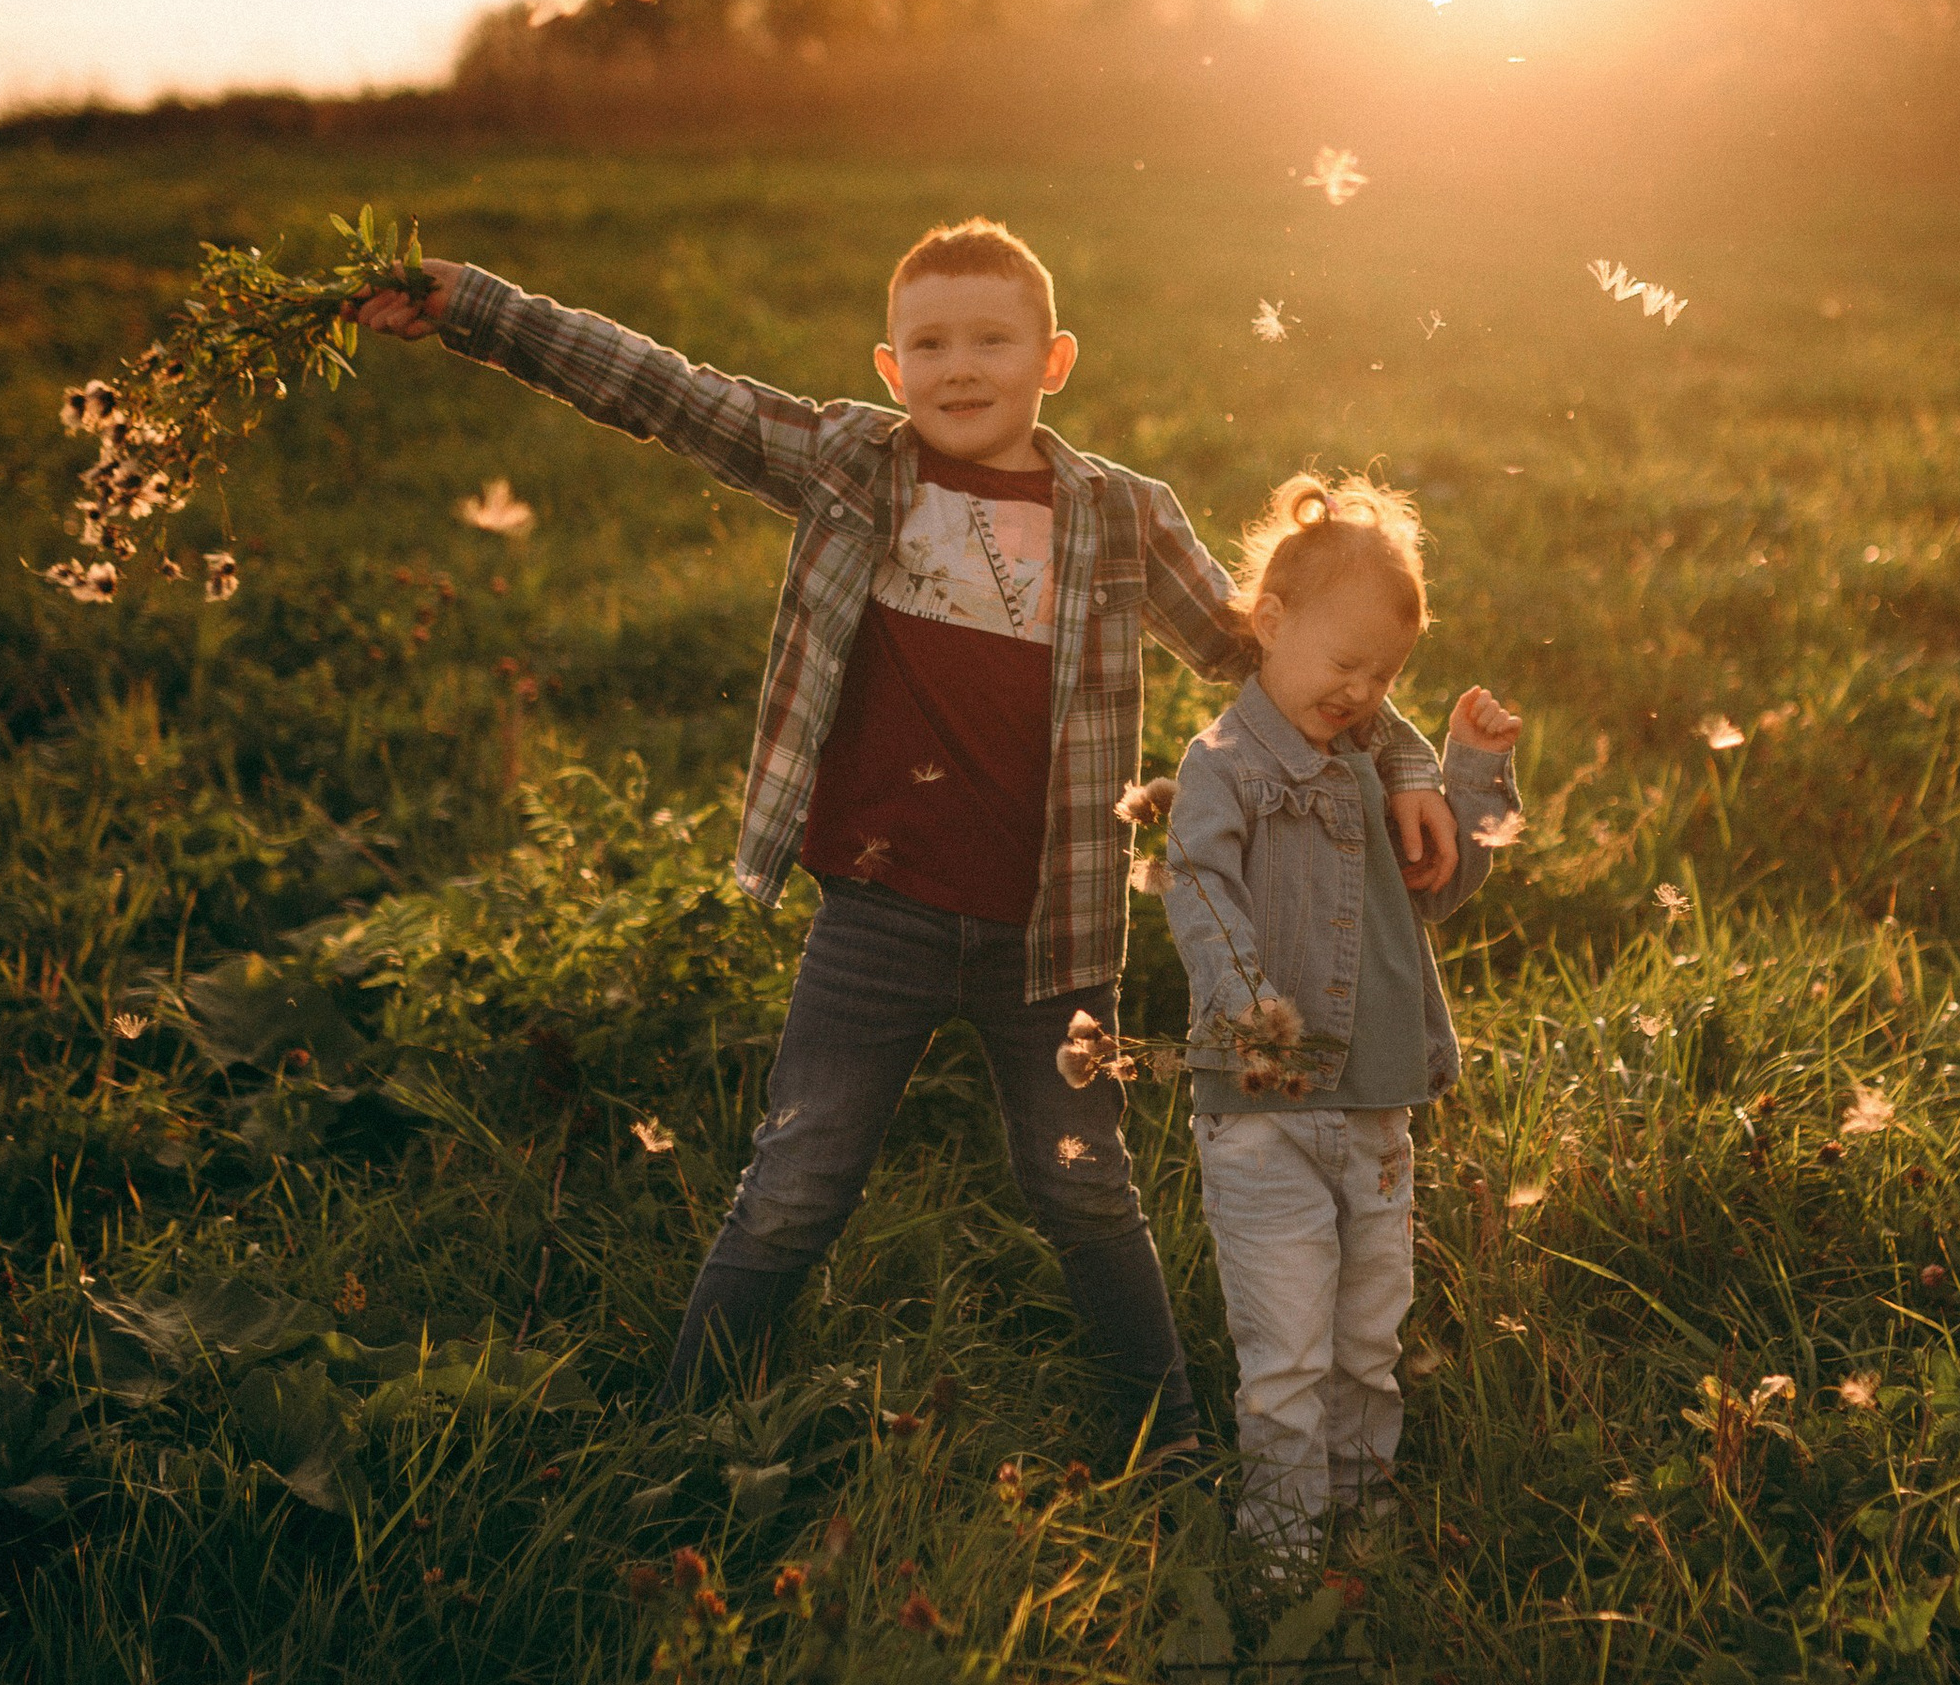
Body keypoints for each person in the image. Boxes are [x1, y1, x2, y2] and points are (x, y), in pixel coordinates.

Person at [356, 222, 1459, 1460]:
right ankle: (672, 1431)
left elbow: (1271, 655)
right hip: (874, 914)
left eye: (992, 338)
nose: (960, 366)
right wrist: (479, 310)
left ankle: (1169, 1437)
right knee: (794, 1183)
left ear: (1054, 359)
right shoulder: (850, 465)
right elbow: (667, 391)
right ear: (890, 367)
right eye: (929, 342)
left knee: (1086, 1189)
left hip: (1051, 932)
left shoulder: (1117, 514)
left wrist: (1406, 759)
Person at [1157, 472, 1521, 1550]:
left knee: (1368, 1339)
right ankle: (1280, 1551)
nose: (1362, 690)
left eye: (1386, 673)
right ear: (1269, 623)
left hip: (1376, 1110)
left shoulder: (1372, 767)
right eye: (1344, 662)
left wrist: (1473, 775)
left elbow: (1437, 890)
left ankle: (1361, 1526)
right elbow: (1197, 889)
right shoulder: (1222, 767)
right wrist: (1249, 1008)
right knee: (1288, 1354)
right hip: (1264, 1114)